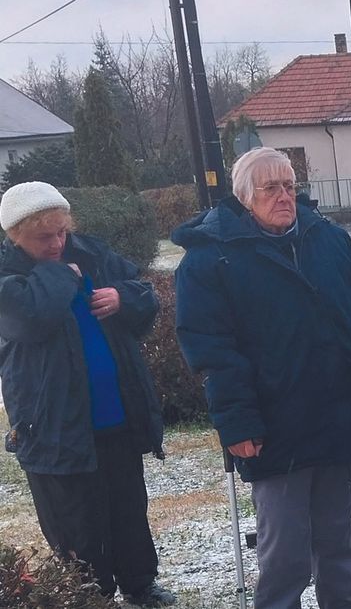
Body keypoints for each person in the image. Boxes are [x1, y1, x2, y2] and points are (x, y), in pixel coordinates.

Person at [173, 148, 351, 609]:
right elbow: (211, 349)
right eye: (270, 188)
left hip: (335, 416)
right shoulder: (210, 260)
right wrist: (238, 422)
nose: (283, 195)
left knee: (337, 543)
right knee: (286, 554)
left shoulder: (328, 239)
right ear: (245, 197)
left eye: (289, 185)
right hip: (273, 427)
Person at [0, 182, 176, 607]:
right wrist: (62, 273)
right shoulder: (9, 274)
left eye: (62, 232)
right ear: (15, 235)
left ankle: (140, 583)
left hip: (115, 415)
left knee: (128, 508)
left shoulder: (89, 251)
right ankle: (89, 596)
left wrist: (123, 298)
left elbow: (143, 292)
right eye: (45, 237)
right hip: (54, 426)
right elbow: (32, 317)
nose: (58, 243)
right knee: (76, 523)